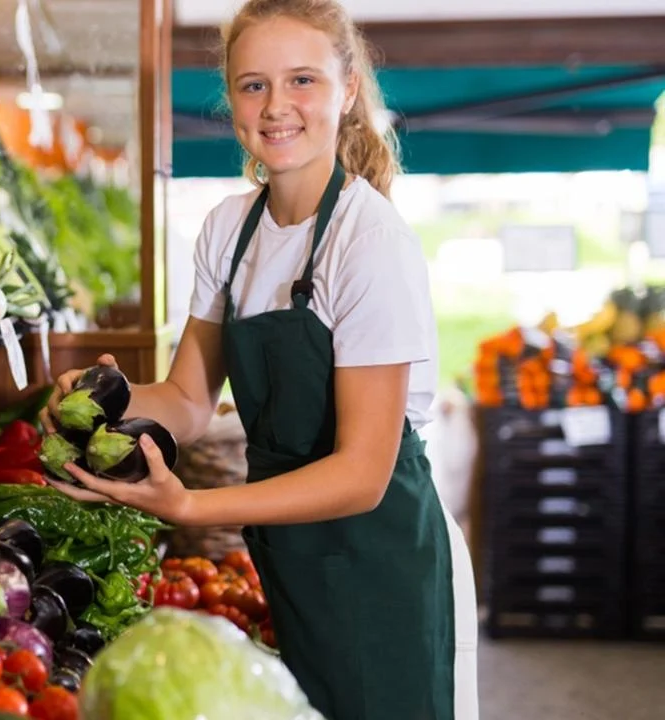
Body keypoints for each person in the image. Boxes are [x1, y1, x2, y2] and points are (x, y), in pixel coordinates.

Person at [40, 1, 479, 718]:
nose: (277, 106)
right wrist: (106, 398)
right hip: (286, 544)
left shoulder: (368, 241)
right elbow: (186, 398)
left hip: (377, 558)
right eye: (253, 85)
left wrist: (191, 505)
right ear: (232, 102)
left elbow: (363, 473)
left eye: (302, 80)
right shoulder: (229, 229)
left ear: (347, 93)